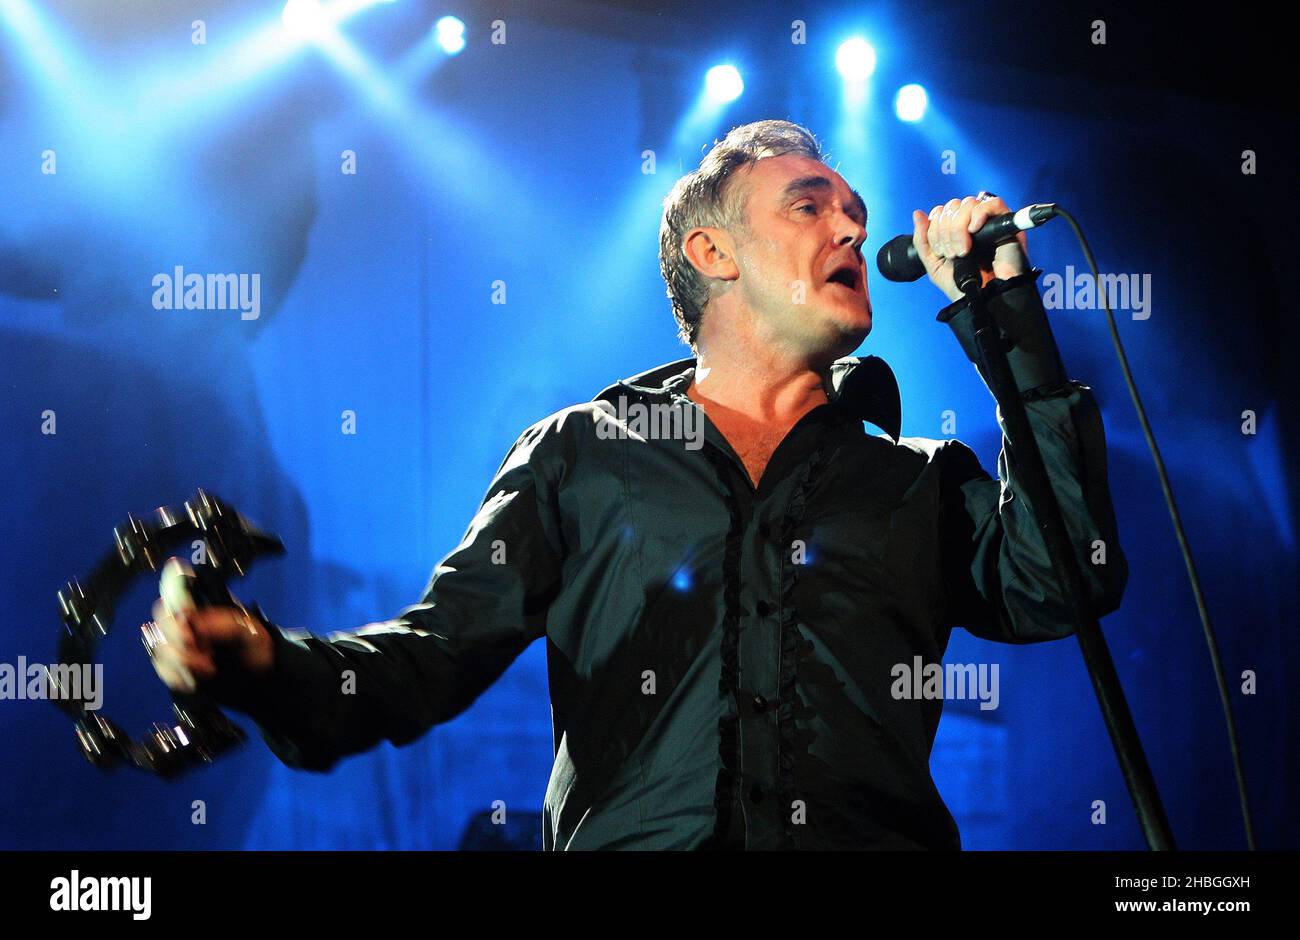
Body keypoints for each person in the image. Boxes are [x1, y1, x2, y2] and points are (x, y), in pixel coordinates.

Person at [145, 119, 1127, 850]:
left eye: (856, 215)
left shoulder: (912, 479)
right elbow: (427, 659)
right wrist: (267, 663)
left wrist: (1012, 330)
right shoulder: (583, 454)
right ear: (711, 253)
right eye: (810, 205)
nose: (850, 229)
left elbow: (1068, 582)